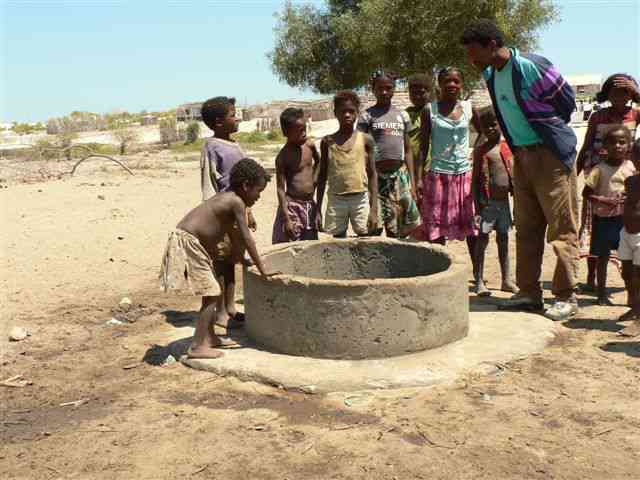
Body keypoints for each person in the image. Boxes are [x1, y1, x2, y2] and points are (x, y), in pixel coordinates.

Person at [462, 19, 580, 320]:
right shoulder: (490, 74)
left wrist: (549, 130)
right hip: (522, 157)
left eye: (473, 51)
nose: (470, 59)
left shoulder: (531, 65)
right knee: (526, 228)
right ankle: (529, 292)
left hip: (551, 155)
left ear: (491, 45)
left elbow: (566, 102)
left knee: (561, 228)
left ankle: (567, 296)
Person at [159, 158, 278, 359]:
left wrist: (244, 260)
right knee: (212, 293)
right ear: (246, 185)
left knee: (211, 290)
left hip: (192, 242)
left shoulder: (229, 199)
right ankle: (197, 347)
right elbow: (247, 237)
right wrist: (262, 268)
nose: (259, 197)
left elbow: (236, 238)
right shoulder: (235, 202)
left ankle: (210, 337)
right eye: (258, 191)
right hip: (189, 243)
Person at [576, 74, 640, 292]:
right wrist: (574, 172)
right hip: (598, 179)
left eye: (625, 92)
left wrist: (638, 93)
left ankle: (629, 279)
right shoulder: (598, 116)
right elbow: (586, 145)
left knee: (625, 230)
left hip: (625, 180)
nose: (619, 97)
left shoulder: (636, 114)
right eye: (614, 92)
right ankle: (591, 277)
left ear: (631, 94)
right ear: (607, 94)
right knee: (594, 229)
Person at [412, 67, 479, 272]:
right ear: (439, 85)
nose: (451, 85)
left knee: (472, 228)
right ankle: (438, 271)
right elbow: (423, 147)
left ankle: (478, 276)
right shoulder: (429, 110)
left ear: (461, 84)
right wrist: (419, 179)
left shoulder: (469, 108)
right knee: (436, 228)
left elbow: (485, 134)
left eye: (456, 81)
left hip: (464, 176)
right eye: (447, 81)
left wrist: (477, 156)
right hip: (438, 175)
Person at [200, 96, 256, 329]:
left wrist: (248, 211)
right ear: (218, 122)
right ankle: (220, 313)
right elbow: (209, 183)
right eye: (233, 115)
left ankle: (231, 307)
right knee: (221, 264)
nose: (237, 118)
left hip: (238, 213)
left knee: (233, 261)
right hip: (222, 215)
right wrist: (214, 216)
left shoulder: (235, 144)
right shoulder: (211, 147)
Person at [357, 72, 421, 238]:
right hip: (376, 177)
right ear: (373, 90)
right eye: (380, 88)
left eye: (388, 88)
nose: (384, 92)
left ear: (394, 89)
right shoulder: (366, 116)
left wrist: (412, 183)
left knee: (399, 225)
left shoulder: (402, 115)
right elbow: (360, 147)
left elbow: (407, 150)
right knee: (375, 224)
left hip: (399, 177)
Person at [583, 126, 635, 305]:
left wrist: (627, 198)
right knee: (602, 257)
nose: (617, 146)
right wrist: (603, 200)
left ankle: (632, 296)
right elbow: (586, 193)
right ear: (604, 146)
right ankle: (601, 293)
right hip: (603, 220)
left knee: (628, 258)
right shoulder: (599, 169)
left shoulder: (631, 167)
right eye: (613, 142)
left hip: (625, 220)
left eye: (622, 142)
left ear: (628, 145)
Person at [317, 90, 379, 238]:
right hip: (336, 199)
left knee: (366, 237)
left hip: (360, 198)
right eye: (342, 111)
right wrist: (318, 208)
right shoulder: (327, 142)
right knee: (336, 240)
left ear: (357, 113)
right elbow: (322, 176)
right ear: (335, 113)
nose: (347, 115)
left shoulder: (366, 139)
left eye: (351, 111)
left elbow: (372, 174)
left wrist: (374, 209)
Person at [472, 106, 518, 296]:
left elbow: (514, 178)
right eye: (486, 127)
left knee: (504, 239)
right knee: (482, 240)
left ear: (501, 124)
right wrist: (477, 208)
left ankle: (506, 279)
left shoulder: (507, 148)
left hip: (504, 203)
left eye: (493, 125)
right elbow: (475, 181)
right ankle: (479, 280)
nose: (490, 129)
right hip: (487, 205)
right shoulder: (481, 151)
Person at [272, 107, 321, 243]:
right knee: (291, 240)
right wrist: (286, 218)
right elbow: (281, 189)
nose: (304, 134)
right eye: (299, 131)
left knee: (310, 243)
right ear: (286, 133)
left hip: (310, 205)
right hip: (292, 205)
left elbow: (319, 161)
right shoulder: (283, 157)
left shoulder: (309, 146)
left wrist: (314, 180)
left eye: (305, 129)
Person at [618, 139, 640, 337]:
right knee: (626, 271)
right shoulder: (631, 181)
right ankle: (634, 307)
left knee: (638, 275)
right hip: (626, 232)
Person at [406, 74, 431, 176]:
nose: (417, 96)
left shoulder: (435, 112)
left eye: (421, 93)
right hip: (411, 166)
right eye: (413, 93)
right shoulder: (406, 114)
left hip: (431, 166)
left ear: (429, 92)